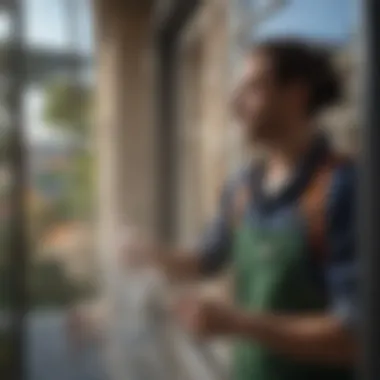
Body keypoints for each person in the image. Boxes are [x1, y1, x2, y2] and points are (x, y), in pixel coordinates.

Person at [147, 38, 357, 380]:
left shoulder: (344, 188)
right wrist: (149, 254)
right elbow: (205, 259)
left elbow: (355, 336)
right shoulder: (242, 188)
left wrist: (237, 322)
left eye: (252, 87)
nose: (234, 102)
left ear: (296, 94)